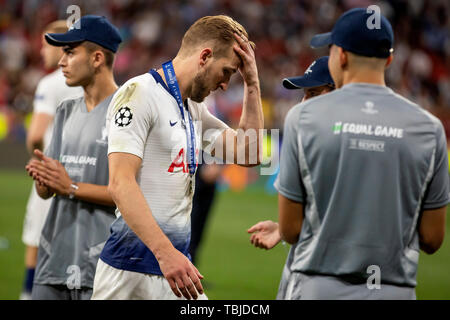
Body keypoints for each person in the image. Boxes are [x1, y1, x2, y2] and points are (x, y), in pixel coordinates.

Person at [273, 8, 449, 300]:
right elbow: (432, 239)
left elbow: (291, 229)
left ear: (340, 56)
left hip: (319, 286)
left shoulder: (303, 118)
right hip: (394, 290)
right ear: (389, 59)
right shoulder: (429, 128)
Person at [91, 15, 263, 300]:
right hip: (130, 271)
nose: (225, 84)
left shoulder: (192, 109)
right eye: (227, 72)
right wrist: (166, 253)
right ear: (205, 56)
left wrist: (253, 84)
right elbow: (121, 184)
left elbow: (250, 152)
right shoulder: (139, 94)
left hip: (174, 269)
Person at [25, 15, 122, 300]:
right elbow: (47, 193)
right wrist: (44, 180)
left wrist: (71, 187)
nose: (60, 61)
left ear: (97, 58)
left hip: (103, 266)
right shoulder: (66, 111)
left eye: (69, 52)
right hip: (53, 260)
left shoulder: (127, 112)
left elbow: (134, 195)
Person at [247, 56, 335, 300]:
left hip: (320, 279)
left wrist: (288, 230)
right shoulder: (314, 142)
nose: (305, 103)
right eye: (305, 94)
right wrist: (283, 230)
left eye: (315, 94)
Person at [20, 20, 83, 300]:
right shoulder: (89, 80)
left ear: (60, 47)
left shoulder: (51, 83)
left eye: (46, 44)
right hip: (83, 176)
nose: (41, 50)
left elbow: (35, 134)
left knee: (36, 241)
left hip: (51, 173)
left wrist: (37, 158)